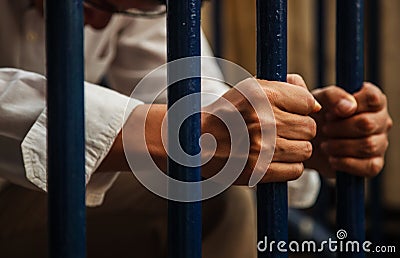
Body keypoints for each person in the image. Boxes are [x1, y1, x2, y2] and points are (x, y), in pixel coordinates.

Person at [0, 0, 392, 257]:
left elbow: (199, 109)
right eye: (95, 0)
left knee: (212, 194)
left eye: (130, 10)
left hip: (31, 200)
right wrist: (175, 135)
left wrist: (293, 135)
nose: (98, 22)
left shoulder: (135, 6)